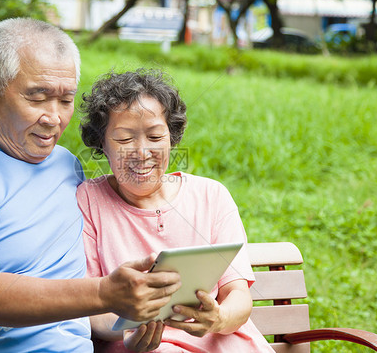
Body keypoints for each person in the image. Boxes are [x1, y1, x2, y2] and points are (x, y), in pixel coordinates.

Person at [0, 19, 181, 352]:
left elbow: (80, 308)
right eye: (37, 98)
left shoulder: (68, 166)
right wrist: (104, 292)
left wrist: (136, 317)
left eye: (65, 101)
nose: (54, 118)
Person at [77, 68, 275, 352]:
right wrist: (128, 329)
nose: (142, 152)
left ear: (172, 138)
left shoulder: (211, 195)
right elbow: (91, 308)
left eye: (155, 138)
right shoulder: (88, 200)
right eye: (123, 139)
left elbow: (238, 294)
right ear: (102, 144)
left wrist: (218, 319)